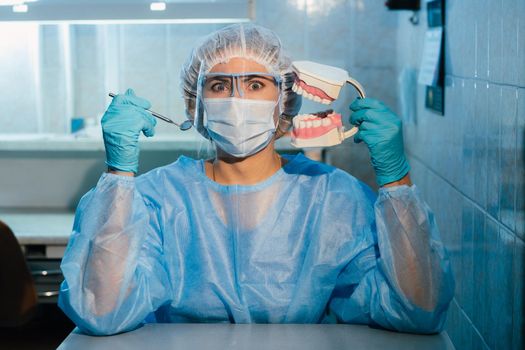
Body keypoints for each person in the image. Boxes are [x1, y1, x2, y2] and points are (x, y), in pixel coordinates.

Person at [58, 23, 455, 336]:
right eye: (218, 85)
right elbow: (101, 311)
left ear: (284, 99)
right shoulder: (155, 198)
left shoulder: (333, 198)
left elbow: (418, 310)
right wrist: (119, 172)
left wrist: (396, 180)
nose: (236, 100)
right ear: (196, 105)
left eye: (254, 84)